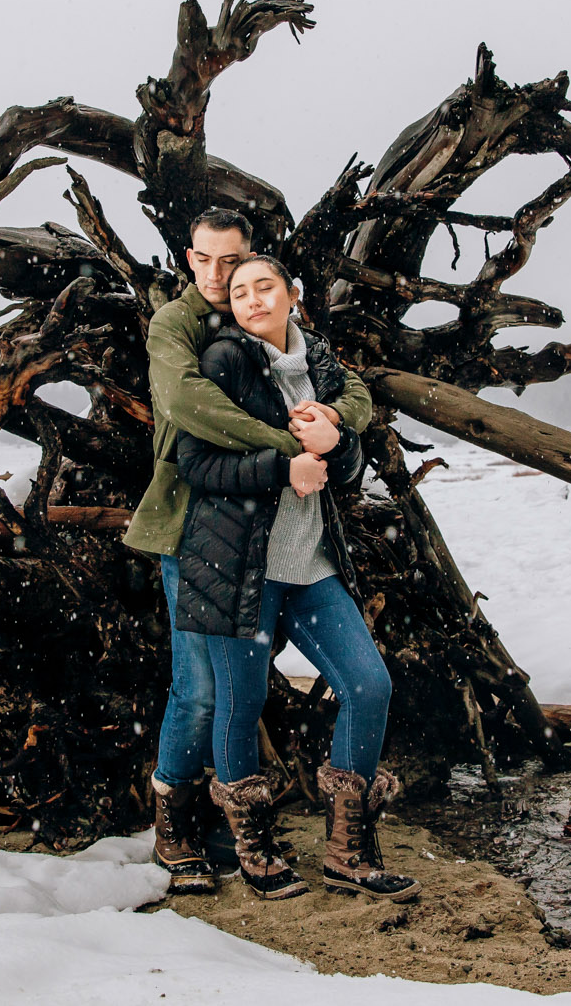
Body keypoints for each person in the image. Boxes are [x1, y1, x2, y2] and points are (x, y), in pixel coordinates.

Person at [124, 209, 369, 895]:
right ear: (188, 256)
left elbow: (352, 390)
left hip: (252, 532)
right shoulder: (175, 324)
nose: (216, 274)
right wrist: (292, 447)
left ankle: (220, 824)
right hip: (187, 525)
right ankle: (173, 827)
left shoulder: (256, 319)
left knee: (234, 691)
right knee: (200, 688)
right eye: (203, 259)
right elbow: (188, 404)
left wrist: (338, 423)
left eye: (230, 262)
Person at [174, 254, 420, 904]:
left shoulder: (320, 363)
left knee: (368, 685)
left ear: (292, 294)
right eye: (240, 291)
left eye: (266, 287)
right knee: (241, 702)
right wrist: (279, 468)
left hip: (310, 565)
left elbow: (348, 470)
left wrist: (336, 445)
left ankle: (347, 849)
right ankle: (254, 846)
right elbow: (194, 464)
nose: (253, 299)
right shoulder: (223, 362)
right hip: (235, 568)